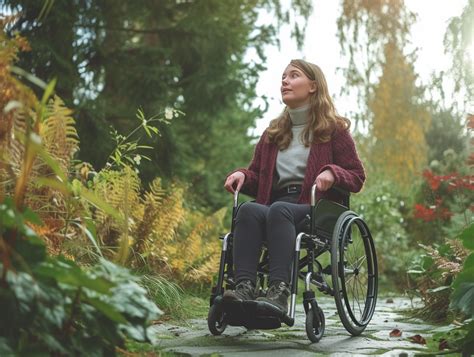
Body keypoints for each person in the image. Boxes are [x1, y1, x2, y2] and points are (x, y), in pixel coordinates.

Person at [222, 59, 366, 314]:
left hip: (314, 208)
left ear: (313, 86)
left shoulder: (333, 130)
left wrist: (332, 173)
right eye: (283, 77)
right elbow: (258, 177)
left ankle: (279, 292)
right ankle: (244, 287)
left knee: (279, 210)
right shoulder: (273, 133)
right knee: (247, 210)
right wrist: (242, 175)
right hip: (275, 204)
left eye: (293, 76)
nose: (285, 81)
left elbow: (356, 176)